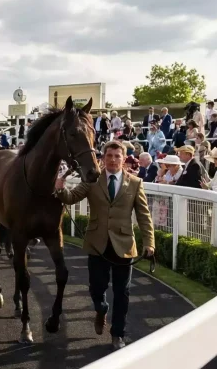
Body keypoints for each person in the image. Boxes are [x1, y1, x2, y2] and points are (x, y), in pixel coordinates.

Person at [54, 140, 154, 350]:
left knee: (122, 291)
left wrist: (149, 243)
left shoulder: (135, 183)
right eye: (109, 156)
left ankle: (118, 333)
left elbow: (144, 216)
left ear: (124, 159)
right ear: (103, 158)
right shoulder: (92, 180)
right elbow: (72, 197)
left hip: (124, 244)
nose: (112, 160)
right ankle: (101, 308)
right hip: (97, 243)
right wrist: (60, 189)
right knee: (96, 288)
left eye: (117, 156)